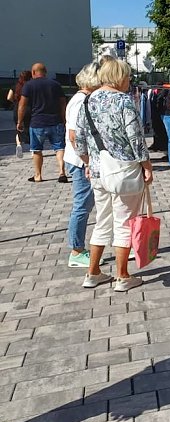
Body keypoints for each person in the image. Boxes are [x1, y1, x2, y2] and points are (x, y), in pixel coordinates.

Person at [74, 59, 152, 291]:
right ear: (119, 78)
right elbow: (136, 139)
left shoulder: (87, 101)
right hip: (123, 171)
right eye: (127, 77)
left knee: (102, 221)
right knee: (125, 223)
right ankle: (122, 276)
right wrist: (147, 166)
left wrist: (89, 162)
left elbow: (78, 141)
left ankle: (93, 272)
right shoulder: (123, 102)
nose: (129, 81)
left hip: (98, 172)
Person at [64, 63, 101, 268]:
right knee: (82, 206)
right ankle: (76, 250)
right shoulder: (81, 101)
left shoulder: (80, 99)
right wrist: (88, 161)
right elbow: (74, 136)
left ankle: (78, 248)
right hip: (80, 162)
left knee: (84, 205)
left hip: (79, 159)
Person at [17, 63, 68, 183]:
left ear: (33, 72)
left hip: (37, 122)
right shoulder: (55, 84)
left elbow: (22, 105)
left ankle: (38, 175)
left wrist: (20, 121)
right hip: (55, 121)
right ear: (45, 72)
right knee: (60, 148)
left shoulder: (28, 85)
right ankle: (62, 172)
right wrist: (64, 119)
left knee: (37, 150)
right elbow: (62, 103)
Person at [6, 70, 32, 158]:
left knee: (19, 128)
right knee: (31, 128)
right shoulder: (30, 86)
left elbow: (9, 97)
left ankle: (19, 145)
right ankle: (33, 149)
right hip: (29, 108)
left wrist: (15, 102)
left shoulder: (16, 86)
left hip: (17, 109)